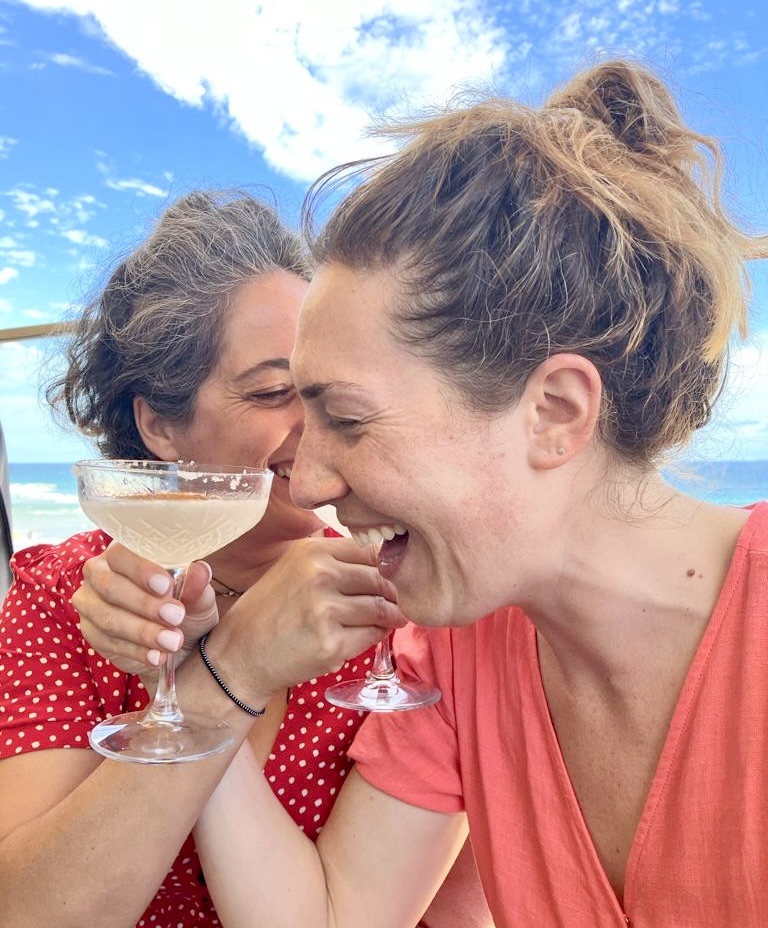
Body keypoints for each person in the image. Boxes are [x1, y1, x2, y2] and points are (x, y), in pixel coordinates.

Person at [73, 59, 768, 927]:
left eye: (349, 420)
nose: (314, 482)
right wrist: (196, 675)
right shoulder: (461, 648)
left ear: (554, 413)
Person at [0, 189, 491, 928]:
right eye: (274, 392)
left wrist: (216, 672)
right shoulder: (64, 604)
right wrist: (223, 673)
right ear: (160, 425)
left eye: (332, 389)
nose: (325, 428)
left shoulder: (415, 617)